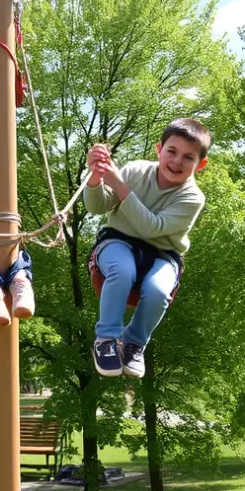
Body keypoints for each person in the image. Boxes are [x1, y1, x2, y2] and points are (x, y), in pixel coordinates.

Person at [84, 118, 209, 379]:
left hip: (164, 253)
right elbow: (98, 207)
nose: (176, 162)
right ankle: (106, 338)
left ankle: (134, 343)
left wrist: (119, 186)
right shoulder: (136, 171)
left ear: (201, 165)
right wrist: (96, 179)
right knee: (122, 269)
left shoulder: (192, 197)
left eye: (188, 157)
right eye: (171, 151)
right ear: (159, 149)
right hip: (118, 239)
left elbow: (153, 227)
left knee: (158, 290)